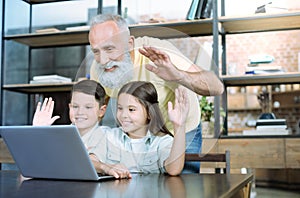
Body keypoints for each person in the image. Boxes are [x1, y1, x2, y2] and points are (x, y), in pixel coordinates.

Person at [87, 14, 224, 173]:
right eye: (95, 51)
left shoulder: (157, 53)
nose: (103, 60)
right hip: (140, 134)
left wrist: (179, 75)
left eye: (109, 48)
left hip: (178, 128)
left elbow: (216, 87)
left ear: (129, 43)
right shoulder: (99, 68)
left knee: (183, 186)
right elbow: (95, 108)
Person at [89, 81, 189, 178]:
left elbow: (174, 170)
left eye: (131, 110)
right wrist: (106, 168)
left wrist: (179, 126)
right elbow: (89, 162)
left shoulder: (161, 141)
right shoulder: (109, 136)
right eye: (120, 108)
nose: (123, 115)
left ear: (149, 113)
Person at [32, 79, 107, 149]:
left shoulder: (108, 139)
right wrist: (37, 132)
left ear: (101, 111)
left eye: (88, 107)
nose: (80, 112)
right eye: (75, 106)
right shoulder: (57, 137)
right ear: (69, 107)